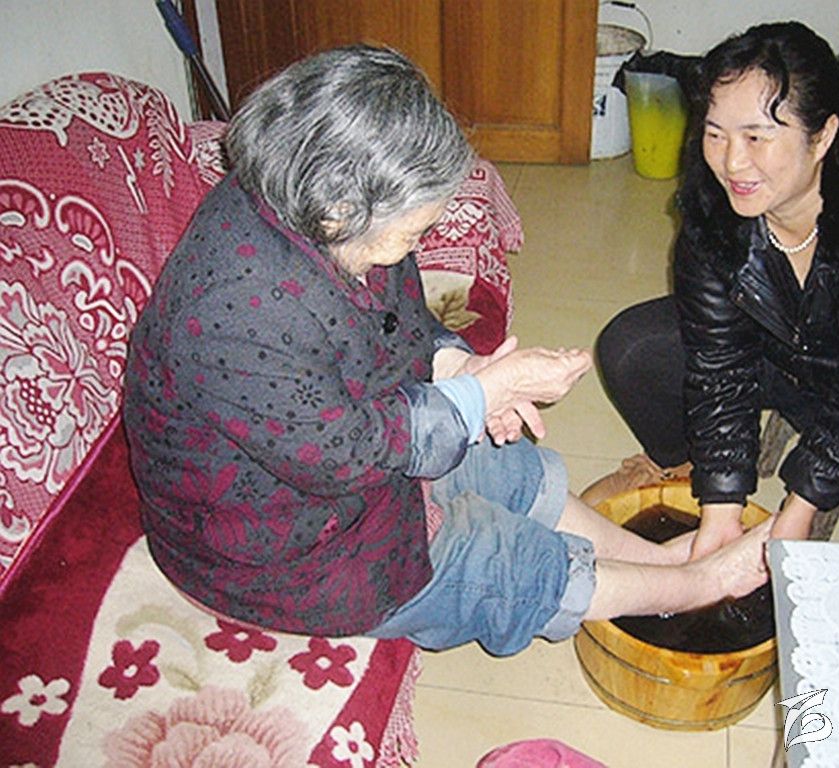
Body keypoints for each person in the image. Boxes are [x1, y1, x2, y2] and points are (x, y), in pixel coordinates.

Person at [123, 45, 769, 657]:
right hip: (272, 546)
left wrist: (458, 367)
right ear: (338, 213)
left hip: (338, 454)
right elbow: (346, 455)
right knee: (498, 564)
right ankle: (699, 586)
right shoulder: (235, 313)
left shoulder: (313, 195)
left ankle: (661, 561)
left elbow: (401, 318)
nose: (416, 246)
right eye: (412, 232)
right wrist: (475, 397)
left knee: (497, 459)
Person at [591, 22, 839, 555]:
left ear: (823, 136)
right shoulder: (713, 205)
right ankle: (684, 468)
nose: (732, 162)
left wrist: (803, 503)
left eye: (757, 137)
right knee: (632, 349)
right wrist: (721, 509)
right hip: (794, 356)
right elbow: (720, 364)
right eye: (716, 134)